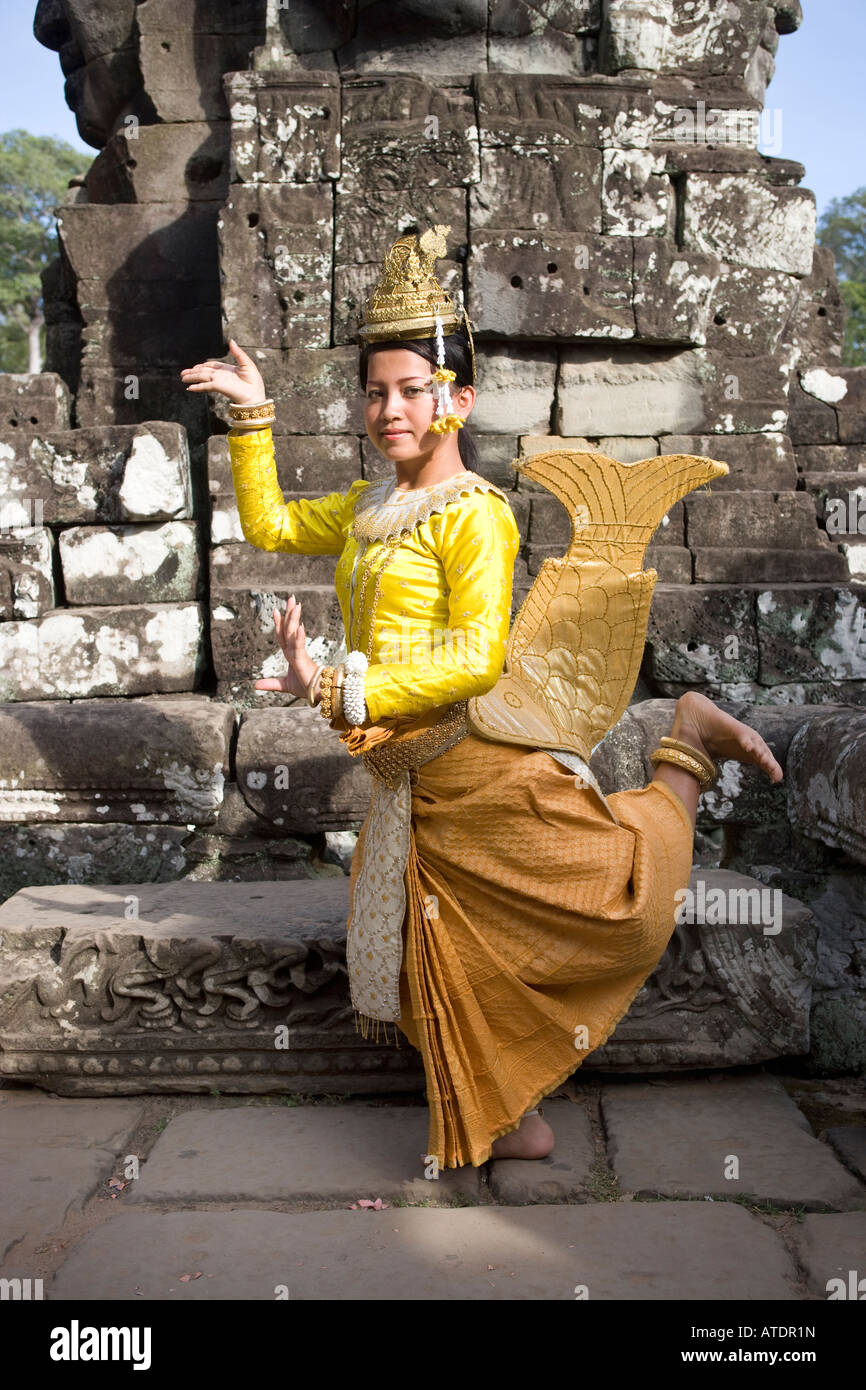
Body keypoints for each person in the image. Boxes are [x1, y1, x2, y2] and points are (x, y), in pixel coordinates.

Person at [181, 224, 783, 1170]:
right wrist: (254, 419)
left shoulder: (476, 518)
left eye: (413, 391)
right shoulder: (370, 505)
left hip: (478, 768)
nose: (391, 412)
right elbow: (269, 521)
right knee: (411, 952)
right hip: (402, 771)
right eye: (375, 392)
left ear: (458, 398)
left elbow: (473, 658)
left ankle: (685, 747)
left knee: (617, 906)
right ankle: (506, 1113)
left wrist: (337, 683)